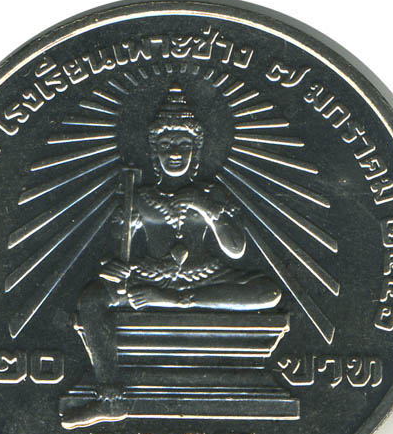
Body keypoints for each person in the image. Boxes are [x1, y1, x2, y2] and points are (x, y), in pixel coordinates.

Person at [74, 84, 281, 385]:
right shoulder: (139, 197)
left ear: (195, 151)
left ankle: (176, 300)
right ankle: (108, 388)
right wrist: (114, 268)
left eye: (183, 145)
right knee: (91, 299)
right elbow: (115, 253)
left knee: (269, 293)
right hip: (150, 276)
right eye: (166, 144)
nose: (174, 153)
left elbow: (236, 248)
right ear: (154, 150)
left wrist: (204, 206)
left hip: (205, 276)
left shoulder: (211, 193)